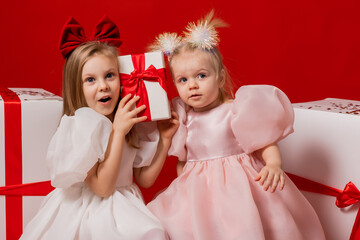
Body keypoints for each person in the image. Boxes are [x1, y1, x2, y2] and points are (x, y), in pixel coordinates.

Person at [147, 11, 325, 240]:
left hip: (241, 191)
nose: (192, 85)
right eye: (183, 80)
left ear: (220, 78)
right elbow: (184, 163)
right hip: (200, 195)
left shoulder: (235, 110)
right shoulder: (184, 119)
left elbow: (264, 143)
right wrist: (187, 190)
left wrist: (273, 164)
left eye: (201, 76)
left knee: (244, 227)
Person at [20, 16, 178, 240]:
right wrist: (118, 132)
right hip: (88, 211)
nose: (103, 86)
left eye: (110, 75)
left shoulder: (127, 118)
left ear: (122, 78)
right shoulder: (83, 127)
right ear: (77, 87)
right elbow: (102, 188)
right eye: (90, 80)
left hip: (125, 205)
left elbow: (144, 179)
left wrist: (163, 140)